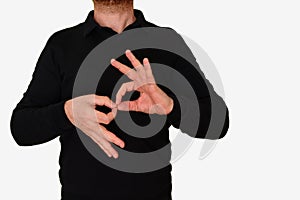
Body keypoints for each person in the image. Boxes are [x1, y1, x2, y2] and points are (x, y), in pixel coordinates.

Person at [10, 0, 229, 199]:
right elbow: (21, 128)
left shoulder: (167, 41)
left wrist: (171, 106)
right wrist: (68, 112)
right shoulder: (62, 45)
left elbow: (219, 123)